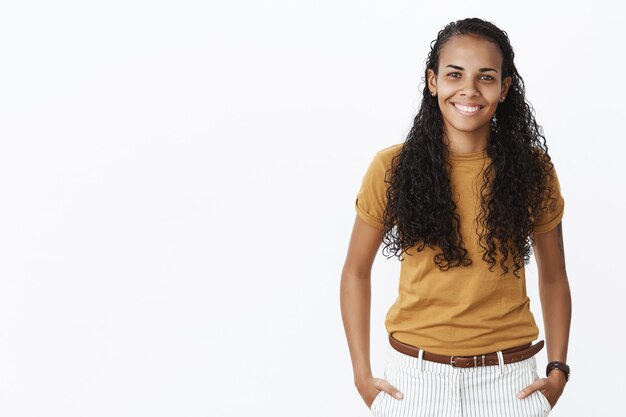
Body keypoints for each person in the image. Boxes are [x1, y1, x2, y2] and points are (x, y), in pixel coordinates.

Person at [340, 18, 571, 417]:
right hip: (412, 383)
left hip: (509, 384)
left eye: (485, 77)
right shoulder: (392, 167)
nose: (469, 89)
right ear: (433, 82)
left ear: (504, 87)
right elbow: (355, 272)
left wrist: (557, 371)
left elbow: (553, 276)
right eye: (454, 74)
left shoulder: (533, 170)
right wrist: (362, 376)